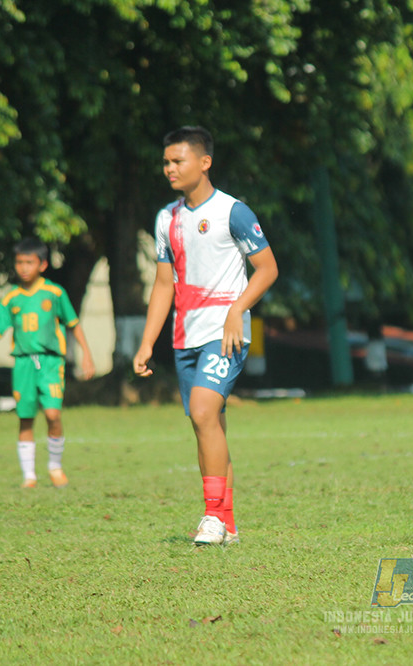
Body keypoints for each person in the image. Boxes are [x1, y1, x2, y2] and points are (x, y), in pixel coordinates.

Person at [133, 126, 278, 547]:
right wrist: (147, 342)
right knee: (207, 425)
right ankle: (228, 523)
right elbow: (164, 285)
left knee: (202, 411)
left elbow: (267, 269)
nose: (170, 169)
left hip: (226, 334)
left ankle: (212, 517)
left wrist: (238, 310)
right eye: (166, 162)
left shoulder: (234, 212)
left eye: (178, 161)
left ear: (204, 162)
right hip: (184, 338)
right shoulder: (167, 218)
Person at [0, 237, 96, 488]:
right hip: (23, 364)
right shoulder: (11, 298)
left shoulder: (55, 293)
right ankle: (29, 476)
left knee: (53, 414)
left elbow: (73, 324)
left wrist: (86, 355)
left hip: (50, 363)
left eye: (29, 262)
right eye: (19, 263)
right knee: (25, 417)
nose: (23, 267)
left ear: (42, 265)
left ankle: (55, 467)